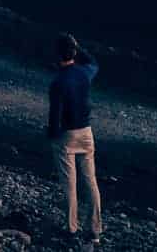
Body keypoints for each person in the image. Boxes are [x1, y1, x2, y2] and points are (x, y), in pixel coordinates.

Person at [49, 33, 103, 246]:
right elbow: (94, 63)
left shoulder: (58, 83)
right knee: (90, 181)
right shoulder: (84, 73)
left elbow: (55, 116)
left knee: (69, 185)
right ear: (73, 53)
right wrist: (78, 47)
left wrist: (52, 136)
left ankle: (71, 229)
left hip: (67, 135)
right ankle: (95, 230)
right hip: (86, 133)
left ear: (57, 55)